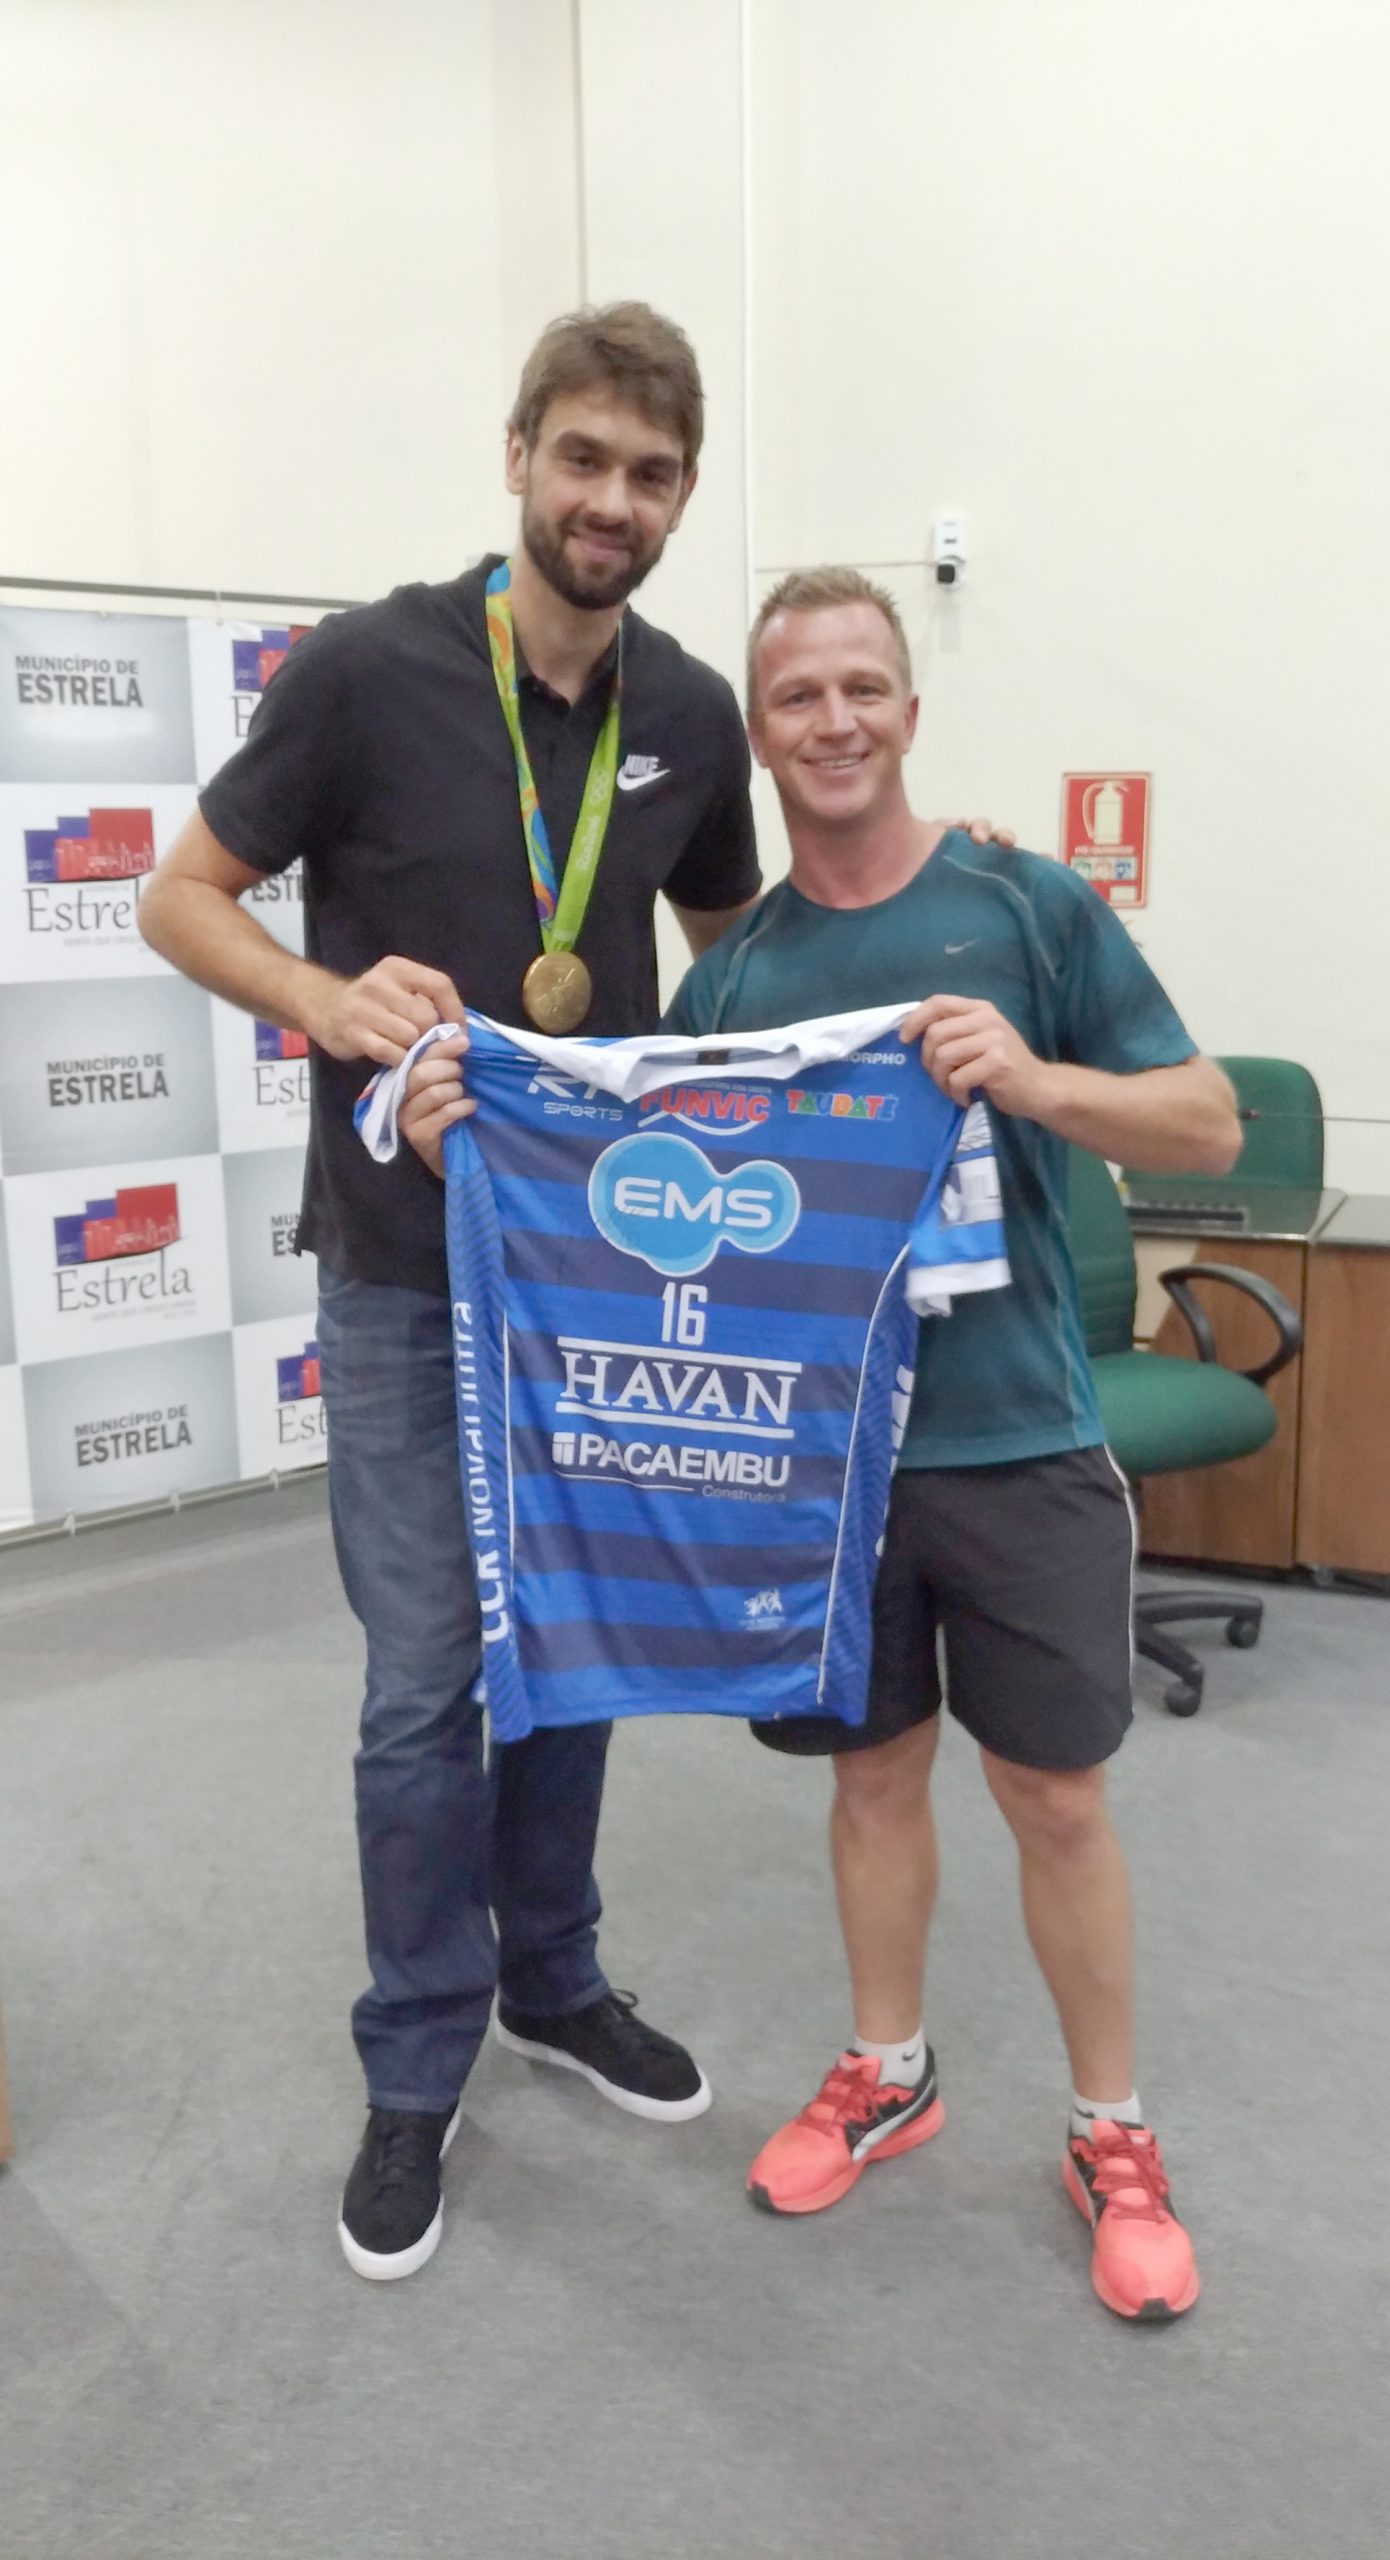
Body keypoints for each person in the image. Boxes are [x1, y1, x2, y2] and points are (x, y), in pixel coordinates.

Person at [138, 302, 765, 2281]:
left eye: (649, 473)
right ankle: (417, 2054)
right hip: (408, 1272)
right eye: (582, 458)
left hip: (600, 1274)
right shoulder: (367, 669)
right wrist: (327, 1001)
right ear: (517, 459)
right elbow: (177, 894)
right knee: (426, 1676)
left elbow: (738, 950)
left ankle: (550, 1978)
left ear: (680, 495)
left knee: (569, 1646)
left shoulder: (689, 711)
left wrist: (926, 907)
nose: (611, 500)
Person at [663, 568, 1242, 2324]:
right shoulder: (733, 975)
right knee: (867, 1779)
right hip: (829, 1465)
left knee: (1053, 1797)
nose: (833, 720)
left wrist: (1036, 1080)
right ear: (758, 734)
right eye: (797, 696)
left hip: (1016, 1441)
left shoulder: (1023, 902)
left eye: (863, 687)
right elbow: (661, 1199)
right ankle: (888, 2070)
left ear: (908, 712)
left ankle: (1110, 2131)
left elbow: (1205, 1120)